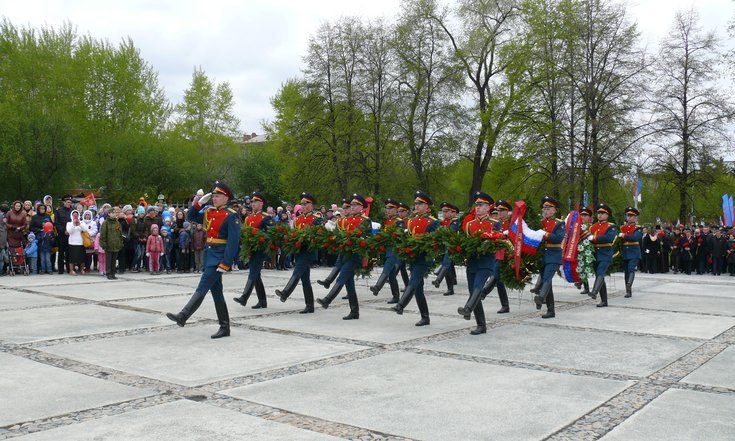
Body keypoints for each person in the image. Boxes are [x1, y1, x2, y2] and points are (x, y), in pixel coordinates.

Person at [166, 181, 242, 339]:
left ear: (226, 198)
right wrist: (198, 204)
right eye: (214, 195)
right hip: (209, 254)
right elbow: (192, 217)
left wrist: (227, 262)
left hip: (219, 258)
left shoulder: (231, 215)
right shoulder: (210, 212)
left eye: (218, 196)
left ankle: (183, 315)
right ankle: (225, 327)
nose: (214, 198)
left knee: (203, 286)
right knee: (217, 294)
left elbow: (234, 242)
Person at [317, 193, 372, 320]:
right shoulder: (346, 220)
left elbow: (368, 238)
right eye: (351, 204)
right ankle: (354, 311)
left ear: (361, 206)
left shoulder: (365, 220)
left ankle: (327, 300)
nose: (352, 207)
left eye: (355, 205)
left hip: (355, 255)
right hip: (344, 253)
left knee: (341, 278)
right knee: (349, 284)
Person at [392, 191, 440, 326]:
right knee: (418, 288)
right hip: (413, 257)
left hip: (425, 258)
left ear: (427, 206)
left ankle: (401, 305)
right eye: (416, 203)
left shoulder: (433, 222)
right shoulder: (411, 221)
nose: (417, 206)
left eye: (420, 204)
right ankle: (425, 317)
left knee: (413, 281)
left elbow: (435, 241)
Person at [457, 192, 498, 334]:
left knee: (478, 286)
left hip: (486, 261)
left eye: (481, 205)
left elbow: (499, 242)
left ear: (488, 207)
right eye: (477, 205)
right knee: (472, 290)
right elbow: (466, 242)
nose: (478, 208)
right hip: (473, 261)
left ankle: (467, 308)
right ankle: (481, 325)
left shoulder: (494, 224)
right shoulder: (469, 224)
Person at [275, 192, 323, 314]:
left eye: (305, 203)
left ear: (311, 205)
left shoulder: (316, 219)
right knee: (305, 279)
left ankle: (286, 292)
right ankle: (309, 305)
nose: (303, 205)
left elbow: (319, 235)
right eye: (302, 203)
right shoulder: (298, 219)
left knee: (297, 271)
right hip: (299, 251)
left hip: (309, 251)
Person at [234, 192, 275, 309]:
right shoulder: (248, 218)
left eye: (255, 202)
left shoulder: (266, 217)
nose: (253, 204)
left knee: (253, 272)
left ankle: (244, 297)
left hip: (261, 249)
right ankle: (262, 301)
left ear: (261, 204)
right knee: (256, 275)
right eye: (252, 202)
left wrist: (262, 238)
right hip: (251, 249)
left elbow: (271, 233)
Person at [532, 196, 566, 318]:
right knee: (547, 281)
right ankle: (551, 310)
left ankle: (541, 297)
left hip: (554, 254)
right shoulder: (539, 223)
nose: (545, 210)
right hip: (542, 255)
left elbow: (558, 238)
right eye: (544, 208)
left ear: (555, 210)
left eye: (548, 208)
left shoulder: (559, 223)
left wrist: (545, 234)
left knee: (547, 278)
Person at [369, 198, 405, 304]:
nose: (388, 210)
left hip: (395, 250)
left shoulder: (399, 222)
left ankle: (377, 286)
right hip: (387, 249)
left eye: (390, 208)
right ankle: (396, 296)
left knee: (387, 267)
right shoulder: (386, 221)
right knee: (392, 274)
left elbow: (400, 236)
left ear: (396, 209)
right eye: (386, 208)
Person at [587, 204, 618, 307]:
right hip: (595, 254)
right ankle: (604, 301)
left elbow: (608, 238)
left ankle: (594, 292)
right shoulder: (592, 227)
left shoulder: (611, 226)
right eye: (599, 213)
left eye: (603, 213)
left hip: (605, 253)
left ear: (607, 215)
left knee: (600, 272)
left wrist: (594, 238)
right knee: (599, 276)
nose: (600, 215)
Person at [432, 202, 460, 296]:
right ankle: (450, 288)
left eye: (446, 211)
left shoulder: (455, 222)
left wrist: (440, 229)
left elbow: (450, 231)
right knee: (448, 268)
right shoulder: (443, 222)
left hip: (451, 247)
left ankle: (438, 280)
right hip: (443, 246)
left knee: (446, 263)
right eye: (443, 211)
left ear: (451, 212)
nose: (444, 213)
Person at [619, 207, 642, 297]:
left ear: (635, 218)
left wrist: (624, 235)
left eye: (631, 216)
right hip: (625, 252)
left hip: (634, 252)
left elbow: (635, 238)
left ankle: (629, 284)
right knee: (626, 272)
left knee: (631, 268)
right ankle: (628, 291)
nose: (629, 217)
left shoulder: (638, 228)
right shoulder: (622, 228)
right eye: (628, 215)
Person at [99, 206, 124, 280]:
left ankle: (113, 273)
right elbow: (103, 235)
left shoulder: (117, 222)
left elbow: (120, 234)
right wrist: (103, 244)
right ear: (109, 214)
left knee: (114, 260)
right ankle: (109, 273)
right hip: (108, 245)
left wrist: (120, 243)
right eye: (112, 213)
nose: (114, 214)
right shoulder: (105, 223)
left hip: (116, 244)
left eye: (115, 213)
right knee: (109, 260)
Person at [66, 209, 89, 276]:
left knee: (82, 258)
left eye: (76, 215)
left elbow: (85, 229)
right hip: (72, 243)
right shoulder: (69, 223)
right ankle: (71, 270)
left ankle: (82, 269)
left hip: (81, 242)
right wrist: (74, 224)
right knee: (72, 258)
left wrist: (79, 224)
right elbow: (69, 231)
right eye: (74, 215)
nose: (75, 216)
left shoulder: (82, 222)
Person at [55, 195, 73, 274]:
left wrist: (69, 230)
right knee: (61, 252)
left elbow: (74, 222)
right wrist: (64, 230)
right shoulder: (59, 211)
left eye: (70, 202)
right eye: (68, 202)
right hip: (62, 234)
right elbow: (56, 223)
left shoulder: (72, 211)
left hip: (70, 235)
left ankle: (69, 269)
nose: (69, 203)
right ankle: (60, 269)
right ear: (64, 202)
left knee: (69, 252)